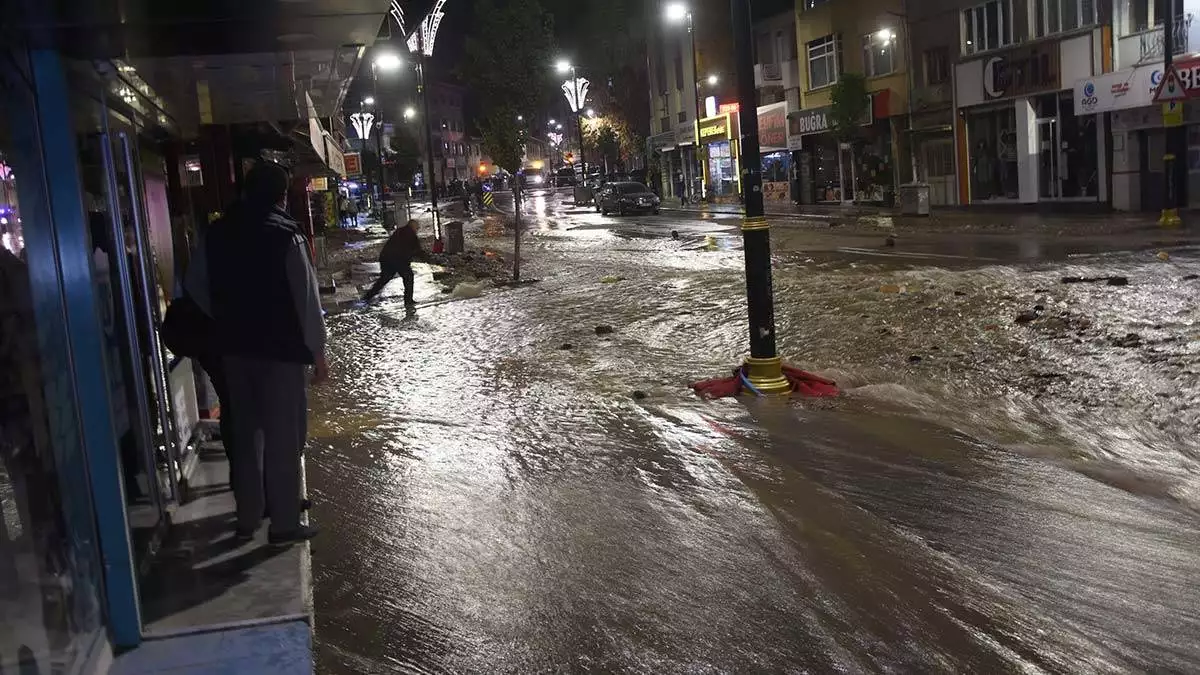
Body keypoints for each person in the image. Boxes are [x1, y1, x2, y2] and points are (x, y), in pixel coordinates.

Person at [190, 161, 326, 546]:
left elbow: (196, 288)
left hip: (234, 352)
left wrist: (228, 318)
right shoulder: (287, 236)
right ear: (282, 196)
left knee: (246, 435)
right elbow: (307, 300)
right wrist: (318, 353)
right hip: (280, 354)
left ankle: (248, 516)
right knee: (285, 437)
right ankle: (283, 524)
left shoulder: (216, 234)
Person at [362, 218, 427, 308]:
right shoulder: (411, 235)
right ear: (413, 227)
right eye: (417, 228)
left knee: (384, 278)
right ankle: (408, 301)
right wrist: (430, 259)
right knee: (408, 276)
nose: (418, 230)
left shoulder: (400, 231)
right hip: (398, 259)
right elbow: (418, 251)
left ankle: (367, 297)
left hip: (386, 258)